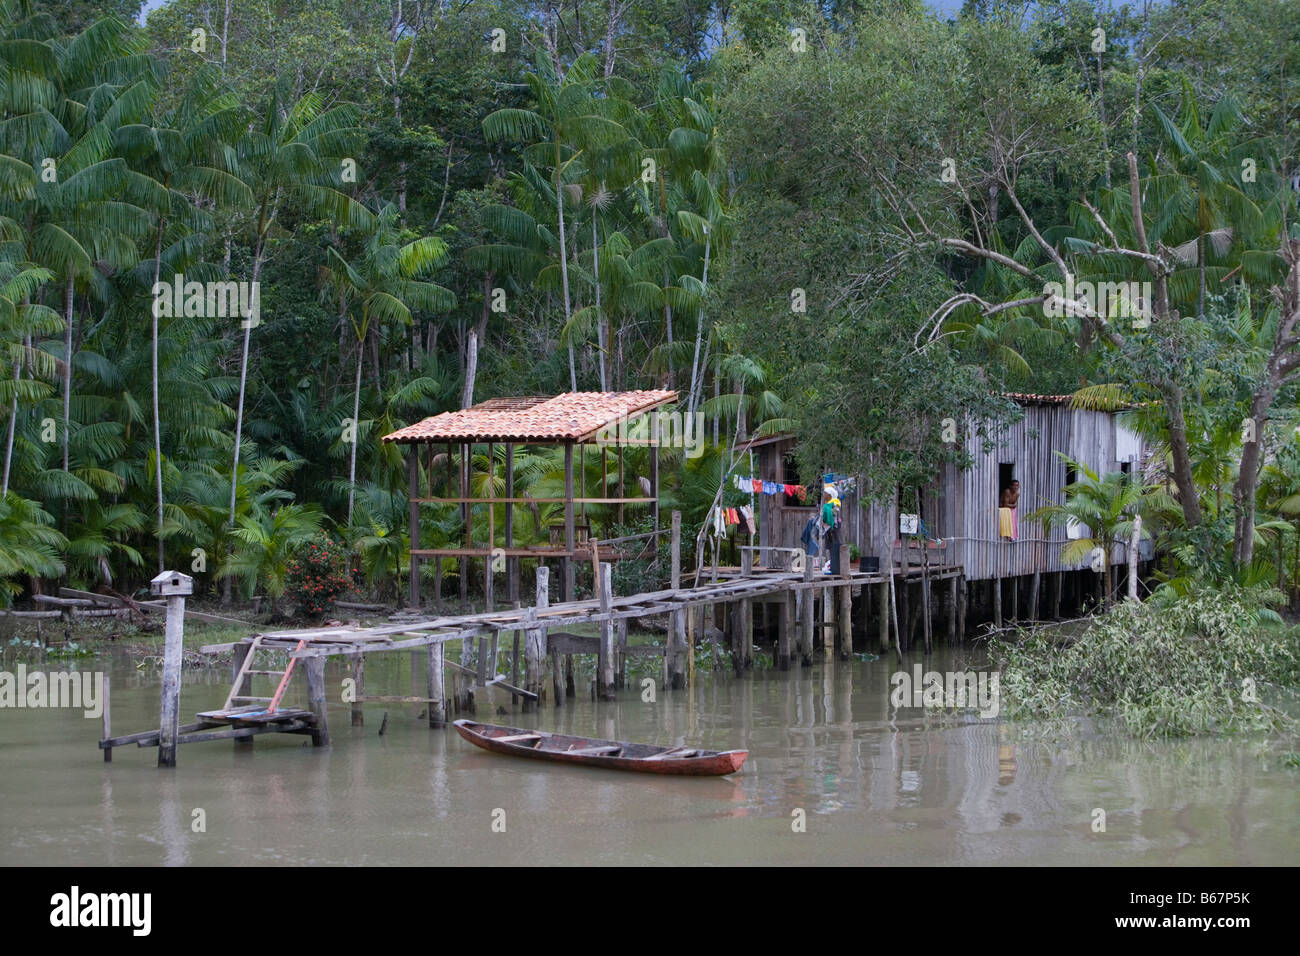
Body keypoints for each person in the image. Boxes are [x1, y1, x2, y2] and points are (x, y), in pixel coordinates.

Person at [822, 484, 841, 574]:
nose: (824, 495)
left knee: (835, 545)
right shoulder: (826, 505)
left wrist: (827, 512)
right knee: (829, 546)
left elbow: (834, 514)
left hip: (833, 527)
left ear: (829, 495)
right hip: (827, 528)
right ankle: (830, 564)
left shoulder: (835, 504)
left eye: (825, 493)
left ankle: (836, 565)